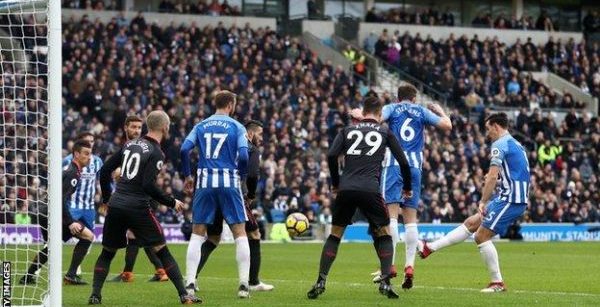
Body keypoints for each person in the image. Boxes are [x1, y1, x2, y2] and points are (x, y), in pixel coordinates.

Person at [89, 110, 201, 304]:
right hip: (138, 207)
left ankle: (95, 295)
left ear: (147, 126)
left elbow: (105, 170)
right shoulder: (157, 152)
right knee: (162, 251)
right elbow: (147, 185)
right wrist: (171, 201)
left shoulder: (129, 144)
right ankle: (184, 295)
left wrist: (108, 199)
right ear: (165, 127)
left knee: (107, 252)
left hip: (116, 205)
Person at [306, 96, 413, 300]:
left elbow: (330, 156)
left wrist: (336, 183)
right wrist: (407, 187)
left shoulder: (347, 131)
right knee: (384, 234)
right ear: (380, 114)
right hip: (370, 190)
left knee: (335, 234)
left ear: (363, 113)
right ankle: (385, 283)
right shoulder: (384, 131)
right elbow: (404, 162)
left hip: (346, 189)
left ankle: (320, 281)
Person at [352, 84, 452, 289]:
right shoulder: (421, 111)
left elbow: (375, 119)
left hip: (394, 164)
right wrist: (440, 110)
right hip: (415, 166)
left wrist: (358, 115)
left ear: (398, 99)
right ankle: (410, 266)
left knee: (391, 216)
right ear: (414, 99)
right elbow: (447, 126)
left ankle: (390, 266)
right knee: (411, 218)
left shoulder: (392, 108)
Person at [418, 112, 530, 292]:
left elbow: (492, 175)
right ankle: (429, 248)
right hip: (510, 195)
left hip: (510, 199)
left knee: (481, 236)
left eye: (488, 129)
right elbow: (519, 175)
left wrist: (483, 200)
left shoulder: (499, 144)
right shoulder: (517, 144)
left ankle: (497, 283)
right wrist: (501, 181)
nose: (487, 133)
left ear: (496, 126)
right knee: (471, 223)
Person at [181, 90, 251, 298]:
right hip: (229, 180)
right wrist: (243, 176)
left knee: (197, 233)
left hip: (204, 181)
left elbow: (185, 150)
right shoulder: (237, 127)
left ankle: (190, 283)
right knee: (240, 232)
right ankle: (244, 285)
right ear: (230, 104)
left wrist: (187, 176)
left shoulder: (200, 125)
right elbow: (245, 156)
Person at [193, 120, 274, 292]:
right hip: (235, 195)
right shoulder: (251, 149)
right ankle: (252, 282)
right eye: (259, 133)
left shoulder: (229, 145)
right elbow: (252, 174)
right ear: (250, 134)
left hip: (214, 191)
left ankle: (192, 278)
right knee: (253, 233)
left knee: (213, 238)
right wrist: (251, 194)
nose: (261, 137)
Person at [20, 140, 94, 285]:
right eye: (86, 154)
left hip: (46, 211)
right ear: (76, 154)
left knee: (52, 246)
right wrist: (71, 221)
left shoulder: (72, 171)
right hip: (51, 212)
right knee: (88, 236)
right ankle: (71, 275)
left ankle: (28, 276)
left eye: (90, 154)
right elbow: (60, 198)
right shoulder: (72, 173)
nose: (89, 157)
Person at [108, 115, 168, 283]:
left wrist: (122, 177)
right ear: (125, 127)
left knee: (137, 235)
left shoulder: (144, 146)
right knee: (136, 236)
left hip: (143, 197)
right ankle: (154, 271)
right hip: (133, 198)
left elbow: (147, 177)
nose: (136, 131)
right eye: (133, 127)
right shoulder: (128, 146)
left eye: (138, 128)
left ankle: (155, 271)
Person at [61, 132, 103, 285]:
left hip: (89, 207)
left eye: (92, 141)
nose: (90, 144)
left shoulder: (97, 161)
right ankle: (71, 273)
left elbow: (102, 180)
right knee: (56, 240)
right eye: (87, 142)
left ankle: (75, 271)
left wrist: (104, 196)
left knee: (88, 237)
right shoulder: (68, 162)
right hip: (72, 206)